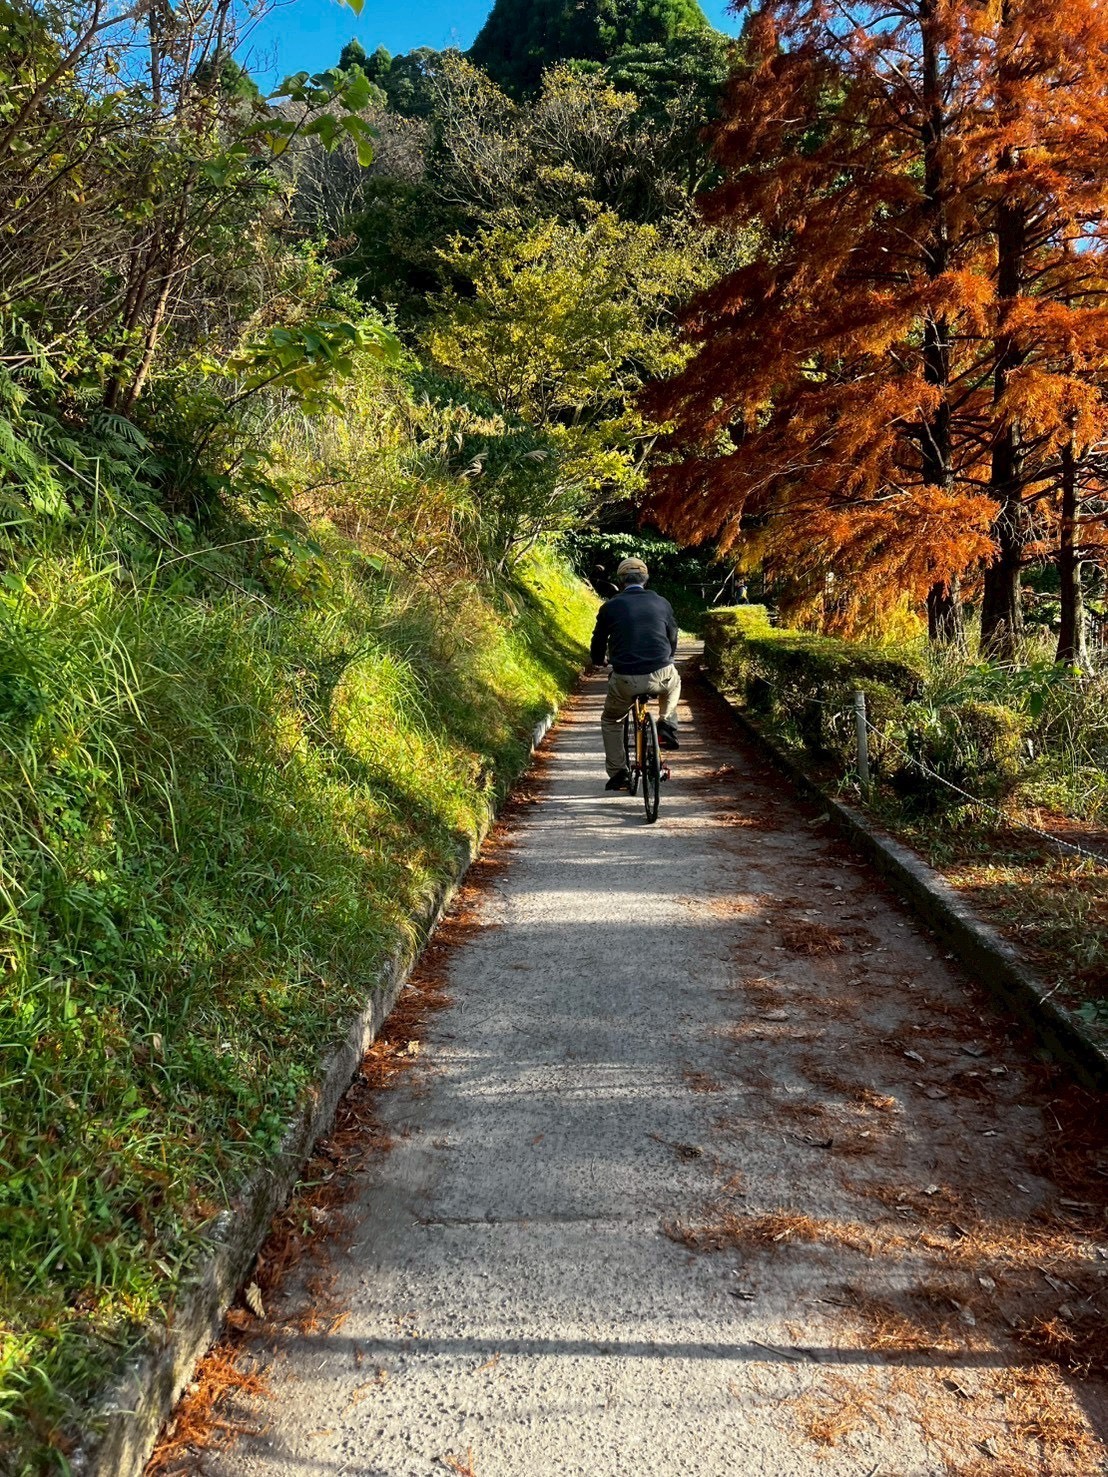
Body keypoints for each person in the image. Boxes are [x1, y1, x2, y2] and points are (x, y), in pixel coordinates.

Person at [589, 556, 681, 792]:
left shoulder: (610, 606)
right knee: (674, 682)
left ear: (620, 581)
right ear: (646, 579)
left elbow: (598, 640)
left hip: (625, 678)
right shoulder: (662, 603)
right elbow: (672, 636)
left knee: (611, 720)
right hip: (661, 672)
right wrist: (668, 656)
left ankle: (619, 773)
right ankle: (666, 725)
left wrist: (599, 661)